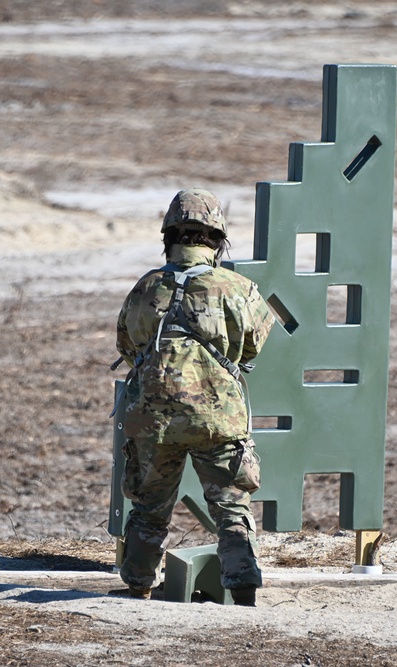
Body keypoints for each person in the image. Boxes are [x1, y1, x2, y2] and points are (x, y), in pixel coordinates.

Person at [114, 188, 274, 606]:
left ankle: (138, 587)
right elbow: (254, 346)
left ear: (168, 237)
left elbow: (128, 347)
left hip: (153, 419)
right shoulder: (239, 288)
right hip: (218, 419)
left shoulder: (145, 287)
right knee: (232, 509)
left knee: (148, 509)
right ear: (218, 239)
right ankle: (243, 591)